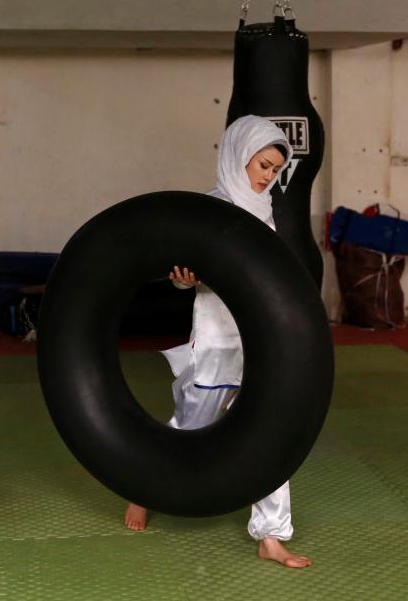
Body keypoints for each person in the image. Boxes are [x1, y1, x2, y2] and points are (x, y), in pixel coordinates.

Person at [123, 115, 312, 569]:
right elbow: (184, 272)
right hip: (217, 340)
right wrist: (185, 280)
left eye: (274, 170)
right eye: (262, 165)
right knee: (191, 426)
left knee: (273, 430)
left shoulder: (265, 212)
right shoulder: (210, 208)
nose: (268, 176)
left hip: (264, 344)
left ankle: (271, 535)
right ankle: (142, 490)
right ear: (238, 156)